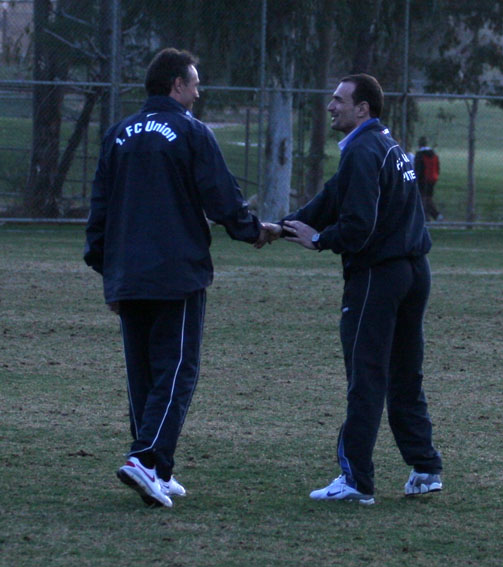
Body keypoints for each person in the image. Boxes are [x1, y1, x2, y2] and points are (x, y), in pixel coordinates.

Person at [84, 48, 267, 508]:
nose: (198, 93)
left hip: (128, 274)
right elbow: (220, 194)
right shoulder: (190, 131)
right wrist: (251, 231)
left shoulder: (117, 134)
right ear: (176, 85)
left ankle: (157, 468)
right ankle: (146, 459)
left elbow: (100, 207)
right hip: (176, 272)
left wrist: (106, 270)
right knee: (177, 369)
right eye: (194, 83)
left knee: (143, 373)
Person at [261, 74, 443, 505]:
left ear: (363, 108)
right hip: (414, 271)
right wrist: (282, 228)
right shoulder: (385, 145)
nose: (331, 106)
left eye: (339, 100)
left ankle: (356, 479)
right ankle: (425, 467)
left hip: (379, 276)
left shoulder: (363, 150)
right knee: (404, 374)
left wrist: (320, 240)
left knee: (367, 376)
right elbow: (332, 198)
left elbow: (358, 225)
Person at [414, 136, 443, 221]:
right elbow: (438, 167)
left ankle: (432, 216)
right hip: (432, 179)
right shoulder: (433, 154)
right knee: (428, 198)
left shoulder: (419, 155)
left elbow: (418, 169)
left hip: (423, 180)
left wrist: (416, 180)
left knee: (423, 198)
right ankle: (434, 216)